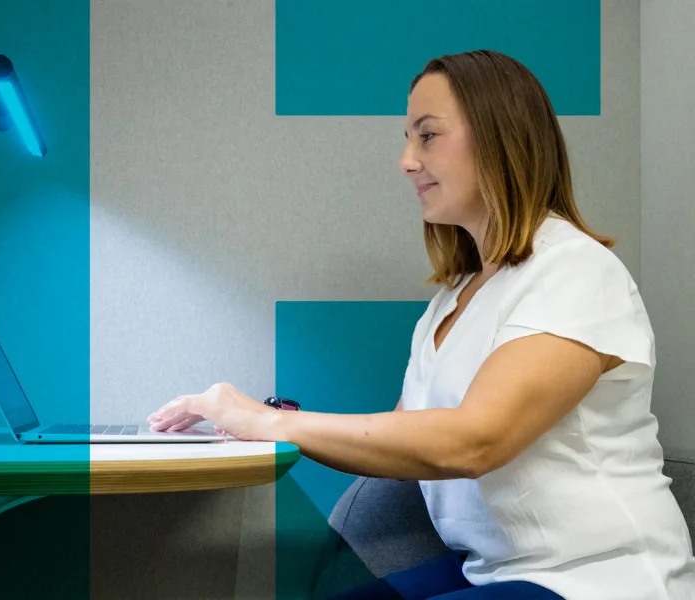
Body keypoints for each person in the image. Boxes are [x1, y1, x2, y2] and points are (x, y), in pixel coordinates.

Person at [147, 50, 695, 599]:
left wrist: (269, 423)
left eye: (428, 136)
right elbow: (408, 439)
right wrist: (253, 421)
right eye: (408, 138)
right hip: (494, 571)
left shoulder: (576, 271)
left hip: (601, 580)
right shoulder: (453, 301)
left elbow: (474, 441)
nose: (407, 160)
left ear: (501, 137)